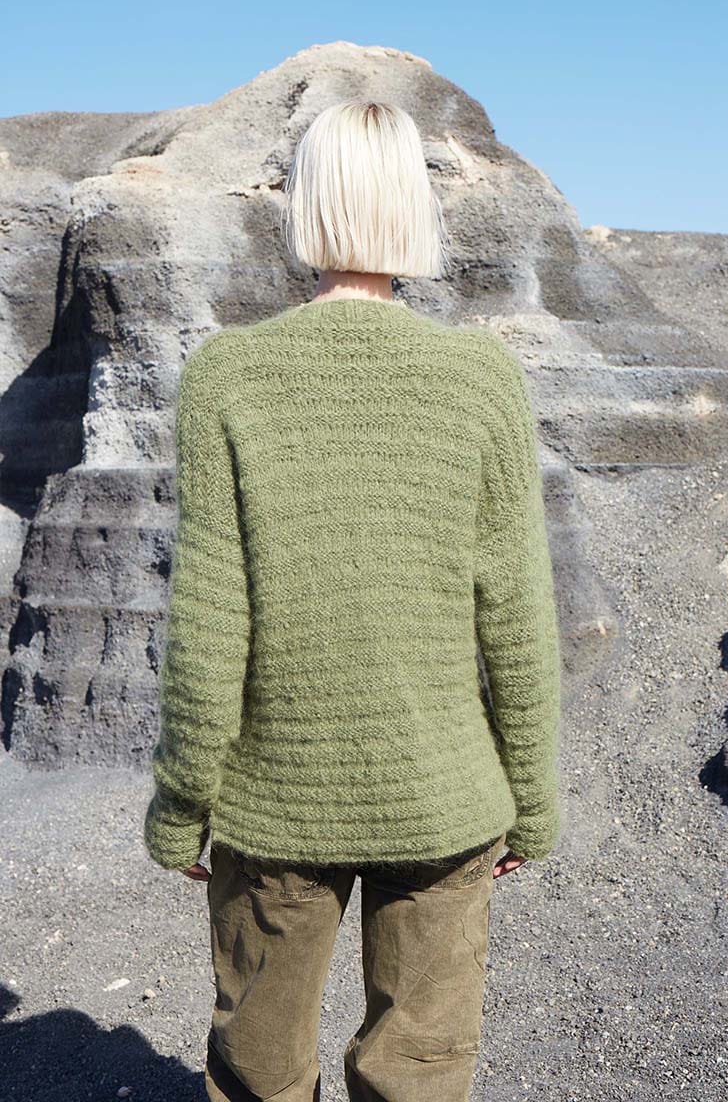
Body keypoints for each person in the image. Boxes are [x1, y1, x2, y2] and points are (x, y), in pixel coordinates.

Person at [143, 98, 563, 1102]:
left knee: (259, 1071)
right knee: (419, 1073)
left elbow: (210, 624)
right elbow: (515, 615)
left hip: (272, 806)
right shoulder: (480, 376)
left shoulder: (229, 375)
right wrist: (533, 800)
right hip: (444, 800)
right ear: (413, 205)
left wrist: (181, 806)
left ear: (304, 202)